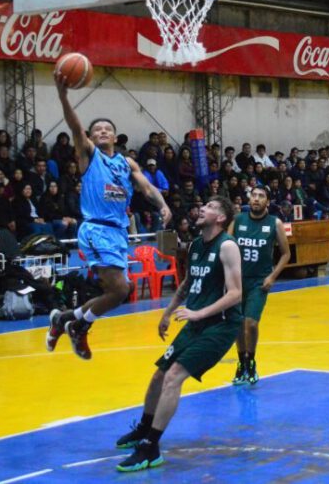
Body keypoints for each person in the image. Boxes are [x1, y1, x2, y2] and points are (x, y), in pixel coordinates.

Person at [45, 71, 171, 360]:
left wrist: (162, 204)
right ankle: (76, 325)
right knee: (119, 288)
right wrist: (64, 95)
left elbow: (147, 187)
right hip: (95, 228)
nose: (102, 131)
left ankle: (65, 320)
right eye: (97, 129)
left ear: (115, 136)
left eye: (107, 129)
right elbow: (75, 127)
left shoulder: (127, 163)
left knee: (119, 292)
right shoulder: (89, 155)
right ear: (90, 137)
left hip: (117, 232)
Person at [115, 197, 243, 472]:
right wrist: (167, 311)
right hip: (195, 322)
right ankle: (144, 428)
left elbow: (235, 294)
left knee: (174, 376)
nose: (202, 208)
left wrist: (198, 313)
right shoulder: (197, 245)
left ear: (220, 218)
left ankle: (150, 447)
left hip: (220, 325)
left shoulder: (228, 247)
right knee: (158, 376)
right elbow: (187, 282)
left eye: (209, 206)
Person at [229, 187, 290, 385]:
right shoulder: (238, 220)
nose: (256, 199)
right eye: (253, 195)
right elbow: (225, 245)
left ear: (268, 201)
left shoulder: (275, 223)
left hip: (258, 281)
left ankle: (251, 360)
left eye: (261, 196)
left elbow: (286, 253)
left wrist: (272, 277)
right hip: (237, 280)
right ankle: (241, 364)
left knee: (251, 323)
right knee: (238, 323)